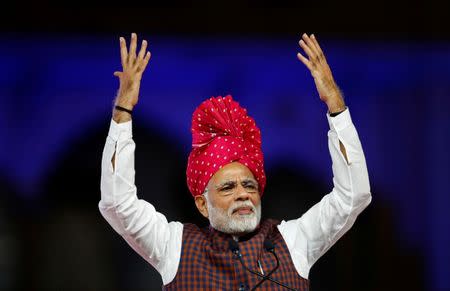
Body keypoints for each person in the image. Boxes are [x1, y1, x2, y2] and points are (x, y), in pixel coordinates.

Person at [99, 33, 371, 290]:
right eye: (228, 188)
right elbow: (117, 204)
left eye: (250, 186)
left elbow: (353, 196)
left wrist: (335, 103)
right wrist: (123, 109)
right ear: (202, 204)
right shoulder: (174, 246)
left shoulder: (293, 241)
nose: (243, 194)